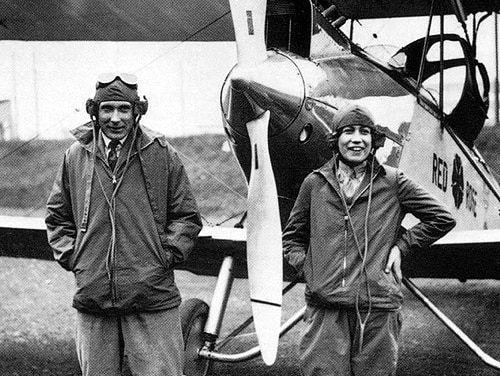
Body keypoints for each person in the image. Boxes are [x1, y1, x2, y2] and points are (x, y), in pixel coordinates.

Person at [46, 73, 202, 376]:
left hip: (151, 294)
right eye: (107, 109)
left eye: (123, 109)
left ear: (136, 111)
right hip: (95, 294)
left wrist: (163, 257)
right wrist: (76, 258)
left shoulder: (162, 154)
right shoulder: (75, 156)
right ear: (94, 111)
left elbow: (186, 216)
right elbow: (57, 215)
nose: (115, 118)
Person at [282, 104, 456, 376]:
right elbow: (292, 237)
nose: (357, 139)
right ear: (336, 139)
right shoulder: (314, 184)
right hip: (326, 309)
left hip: (377, 307)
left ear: (373, 140)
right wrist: (309, 269)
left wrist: (402, 246)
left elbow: (442, 218)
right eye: (348, 131)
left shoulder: (394, 181)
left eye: (364, 132)